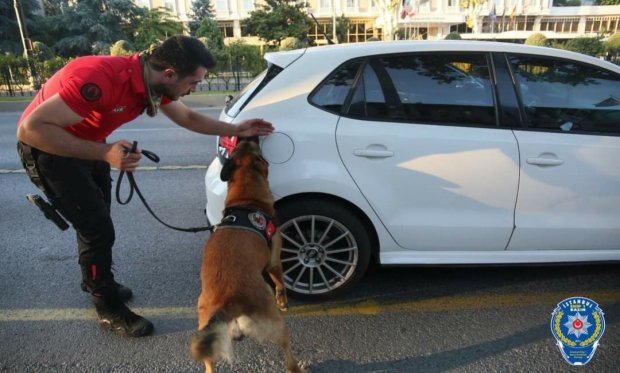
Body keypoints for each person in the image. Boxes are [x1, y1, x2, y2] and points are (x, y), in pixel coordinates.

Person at [16, 35, 274, 338]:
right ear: (169, 74)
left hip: (87, 143)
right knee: (96, 228)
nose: (193, 89)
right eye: (193, 83)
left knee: (99, 219)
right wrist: (104, 152)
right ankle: (106, 305)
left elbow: (187, 117)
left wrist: (235, 129)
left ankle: (97, 280)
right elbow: (30, 130)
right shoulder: (97, 80)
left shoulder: (152, 80)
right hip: (49, 149)